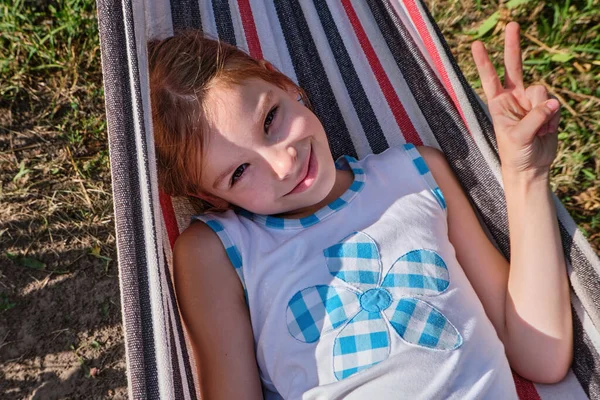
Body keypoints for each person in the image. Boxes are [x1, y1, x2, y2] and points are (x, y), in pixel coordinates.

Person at [148, 22, 572, 399]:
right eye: (239, 171)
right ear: (212, 198)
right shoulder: (220, 251)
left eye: (270, 119)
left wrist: (526, 174)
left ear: (283, 82)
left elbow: (541, 354)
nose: (283, 164)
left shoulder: (415, 174)